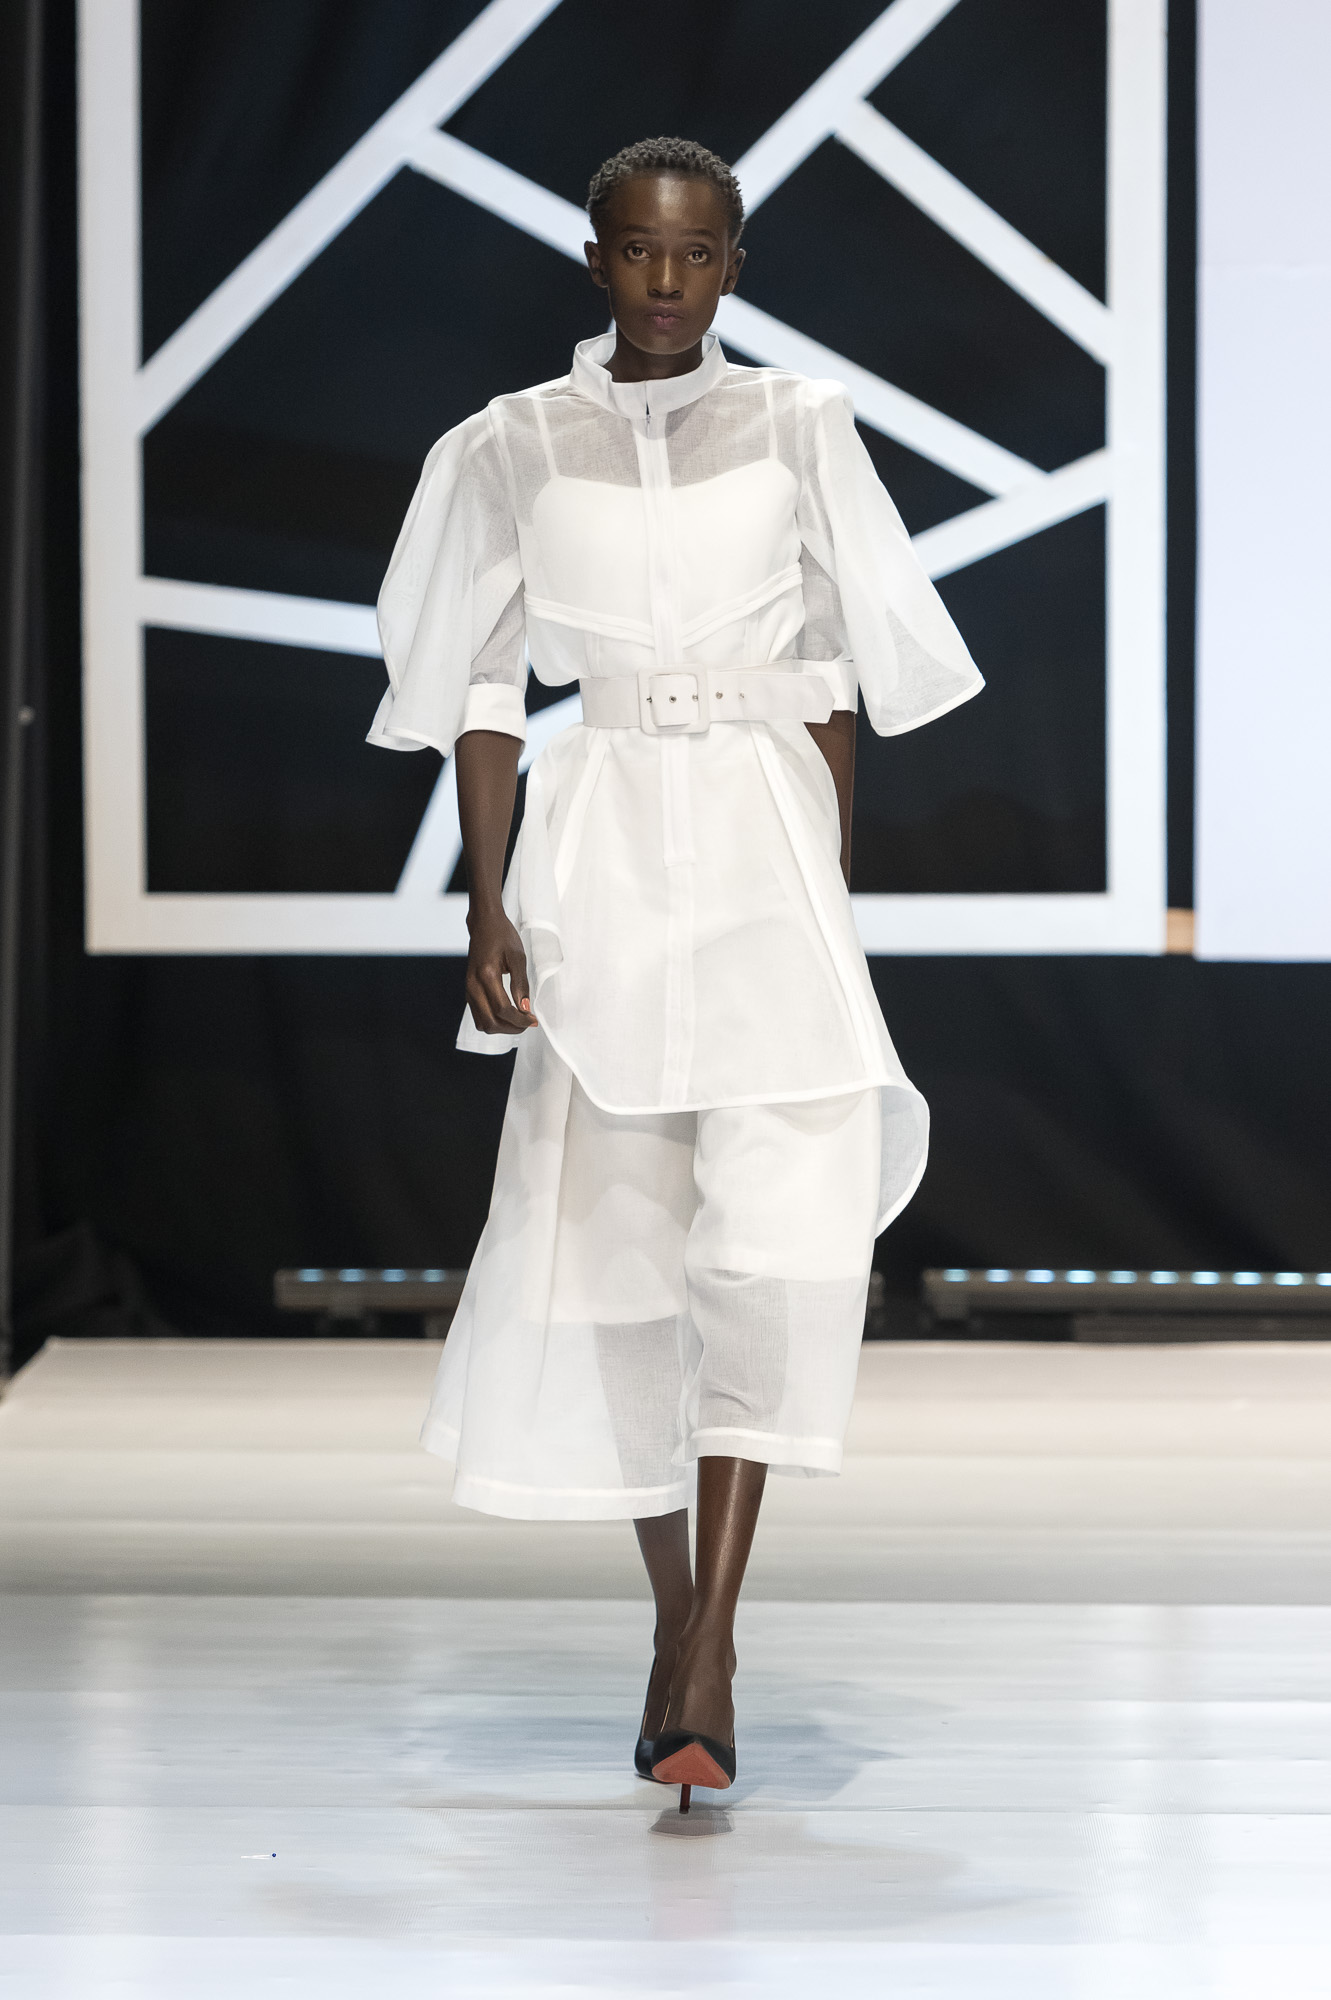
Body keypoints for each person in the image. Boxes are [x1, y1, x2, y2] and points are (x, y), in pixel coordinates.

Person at [370, 137, 981, 1803]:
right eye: (640, 253)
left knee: (776, 1242)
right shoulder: (509, 447)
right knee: (620, 1255)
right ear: (594, 258)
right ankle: (679, 1627)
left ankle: (709, 1647)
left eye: (697, 254)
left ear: (733, 260)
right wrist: (485, 909)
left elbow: (840, 670)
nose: (667, 282)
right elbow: (482, 693)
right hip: (603, 852)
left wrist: (827, 880)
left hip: (767, 850)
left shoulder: (803, 429)